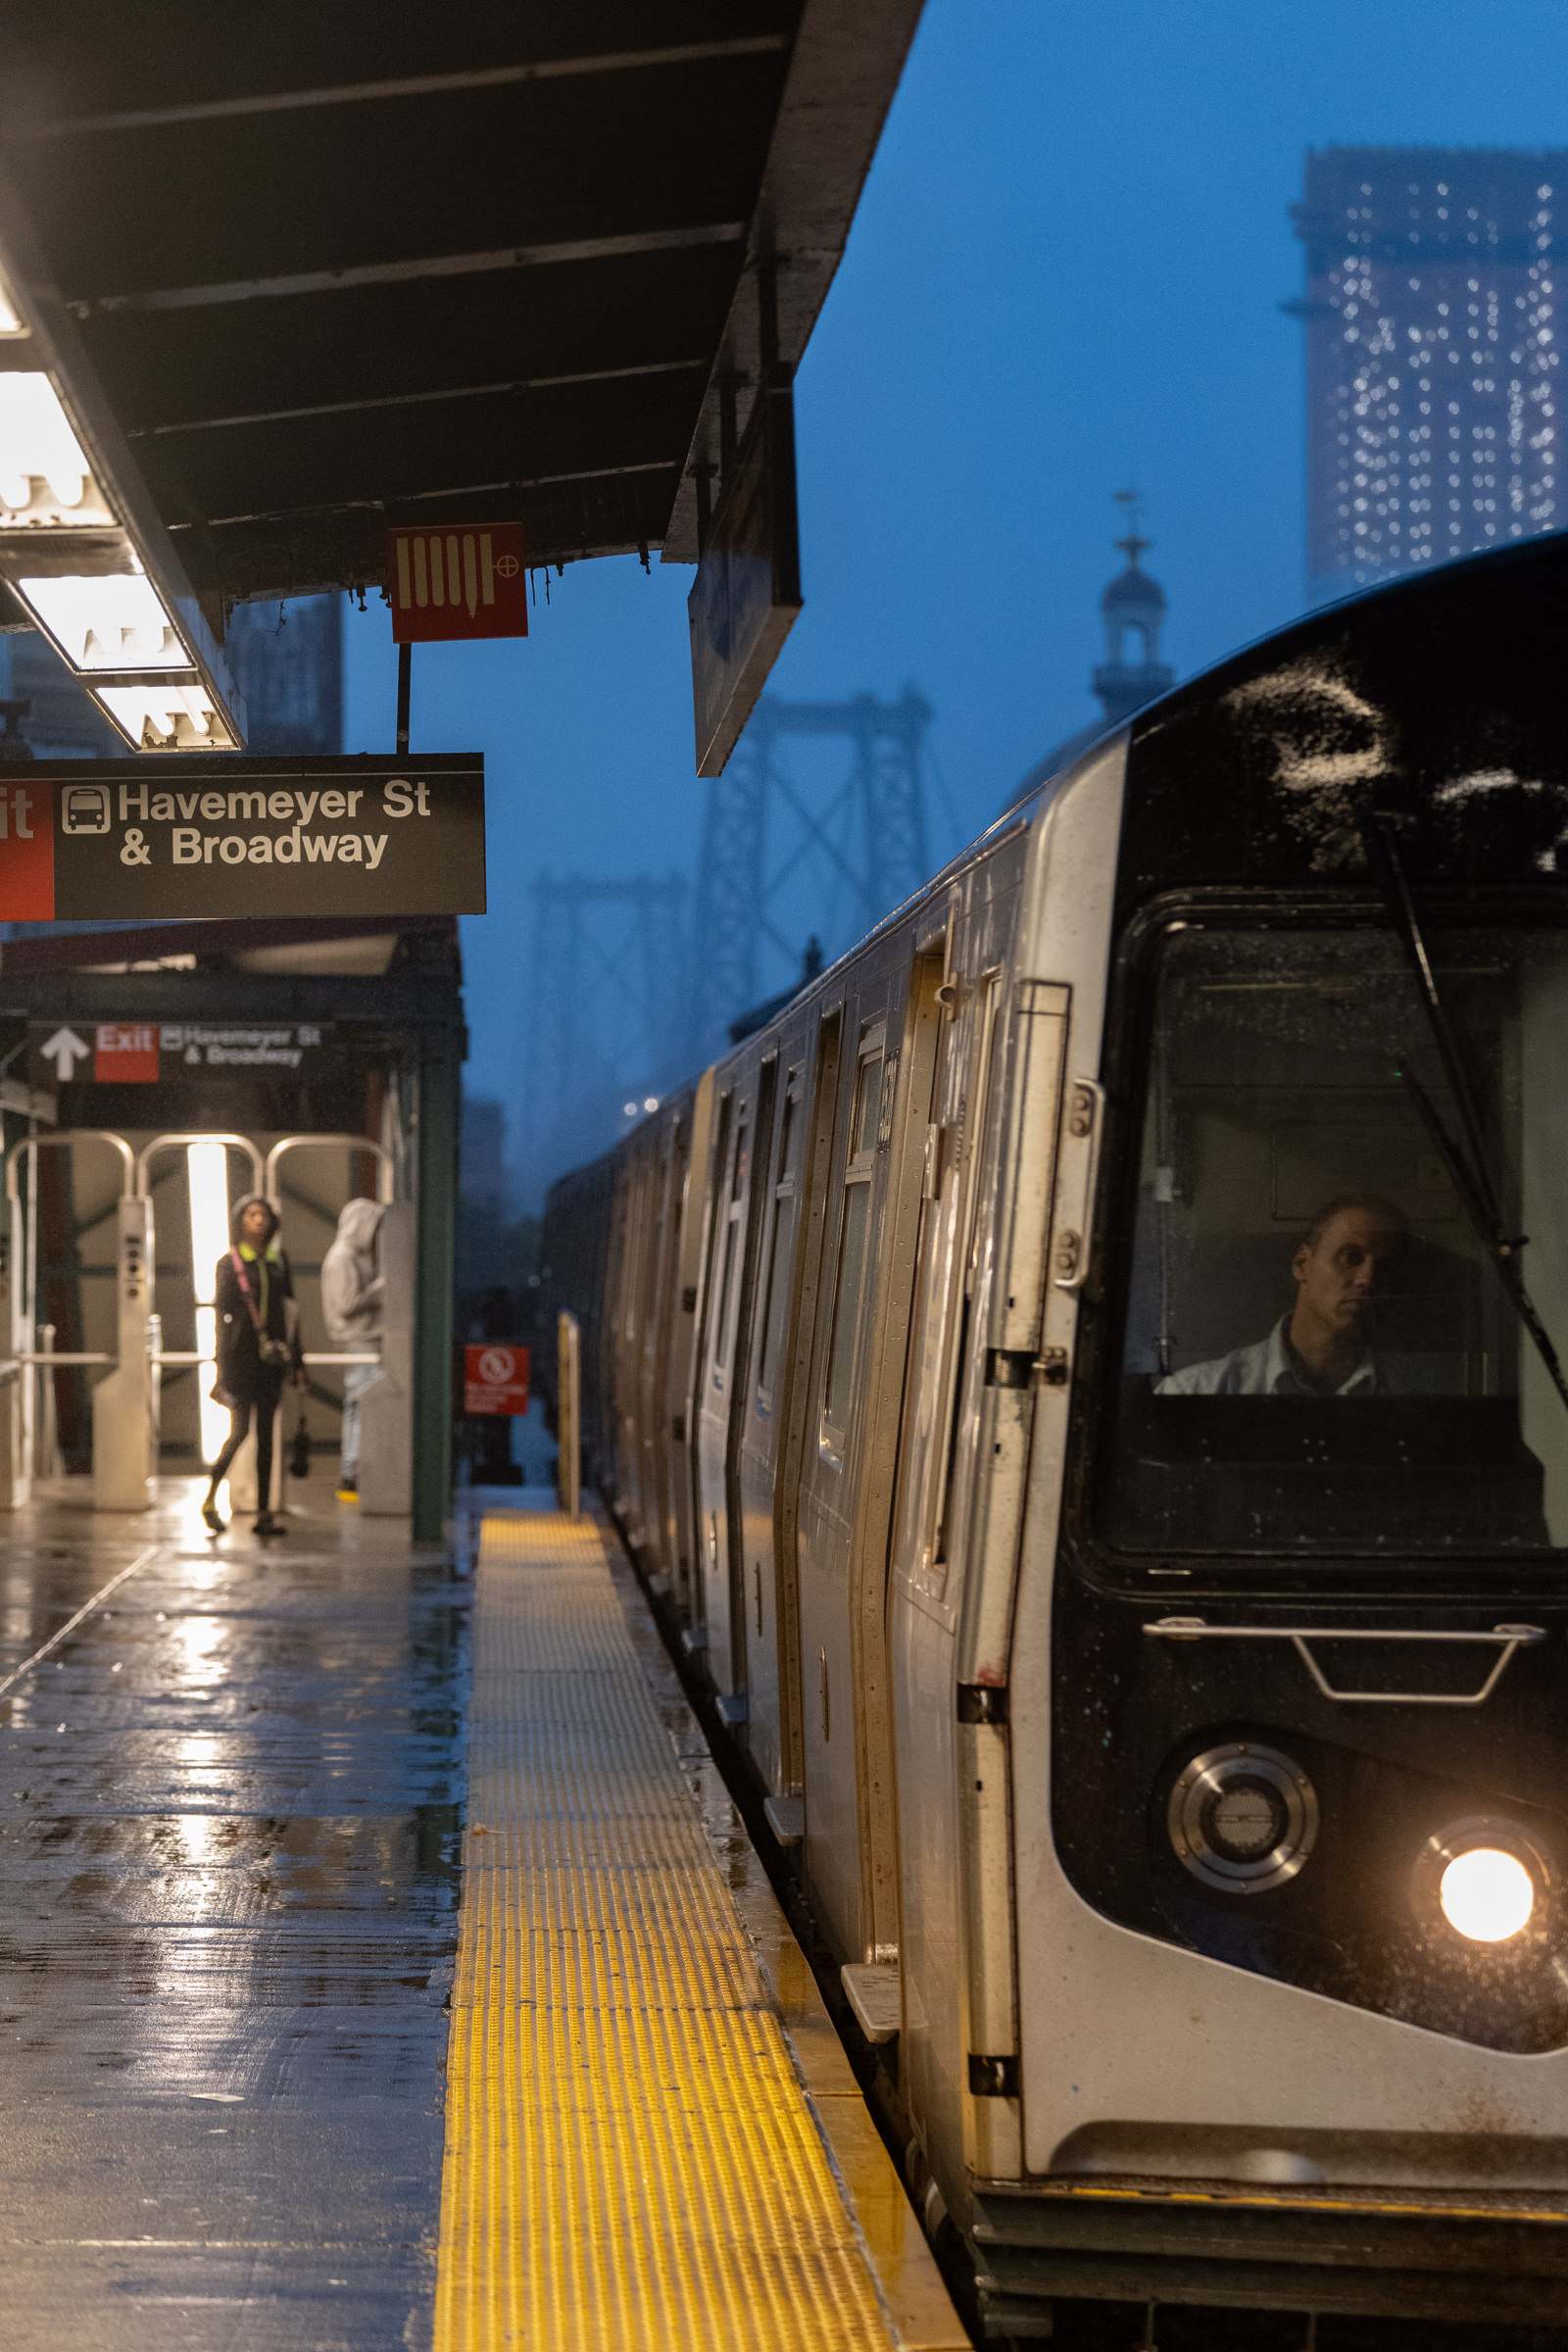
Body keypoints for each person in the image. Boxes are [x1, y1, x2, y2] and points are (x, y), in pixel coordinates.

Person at [1156, 1194, 1409, 1396]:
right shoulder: (1196, 1393)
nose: (1367, 1279)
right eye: (1351, 1257)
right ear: (1302, 1264)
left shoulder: (1413, 1401)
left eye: (1385, 1267)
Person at [203, 1195, 303, 1537]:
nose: (258, 1220)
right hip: (241, 1361)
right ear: (239, 1220)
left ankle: (264, 1513)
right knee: (240, 1432)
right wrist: (221, 1369)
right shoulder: (229, 1264)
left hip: (273, 1362)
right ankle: (210, 1496)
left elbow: (291, 1314)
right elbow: (221, 1318)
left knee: (266, 1438)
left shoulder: (279, 1262)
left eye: (263, 1215)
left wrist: (297, 1360)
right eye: (250, 1214)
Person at [320, 1198, 385, 1501]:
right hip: (359, 1340)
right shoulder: (342, 1258)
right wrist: (381, 1289)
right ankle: (352, 1470)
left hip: (366, 1338)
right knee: (360, 1407)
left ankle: (355, 1469)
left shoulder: (355, 1257)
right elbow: (348, 1303)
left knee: (358, 1406)